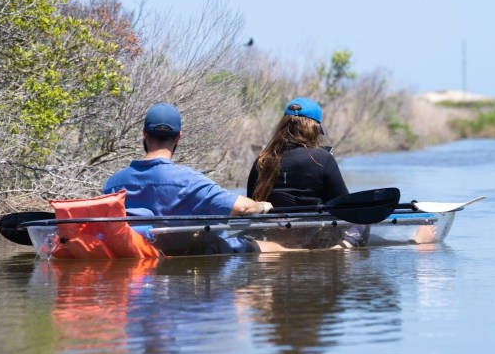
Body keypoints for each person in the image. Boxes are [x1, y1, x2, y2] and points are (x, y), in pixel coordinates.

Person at [103, 102, 272, 253]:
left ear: (145, 134)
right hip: (186, 262)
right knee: (272, 249)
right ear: (178, 136)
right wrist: (262, 206)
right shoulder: (189, 181)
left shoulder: (112, 185)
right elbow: (243, 208)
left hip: (138, 261)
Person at [247, 97, 367, 250]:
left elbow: (251, 205)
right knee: (362, 219)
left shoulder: (262, 160)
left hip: (272, 232)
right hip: (311, 233)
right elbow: (344, 205)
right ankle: (340, 249)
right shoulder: (323, 159)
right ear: (314, 128)